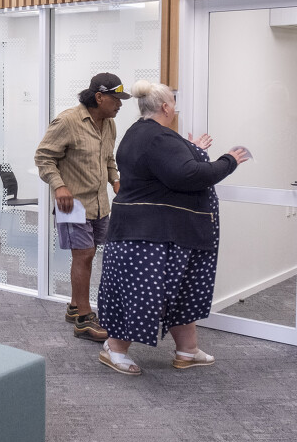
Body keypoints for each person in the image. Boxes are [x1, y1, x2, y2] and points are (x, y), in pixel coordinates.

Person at [94, 80, 252, 375]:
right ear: (166, 107)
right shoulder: (158, 137)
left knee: (181, 292)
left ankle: (187, 350)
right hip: (148, 234)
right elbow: (188, 175)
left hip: (161, 231)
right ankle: (114, 348)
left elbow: (166, 168)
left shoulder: (143, 132)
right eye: (173, 102)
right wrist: (228, 161)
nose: (175, 107)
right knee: (144, 295)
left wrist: (193, 149)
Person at [34, 71, 130, 343]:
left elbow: (108, 158)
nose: (120, 104)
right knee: (84, 254)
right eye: (116, 99)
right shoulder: (68, 121)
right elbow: (43, 157)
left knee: (88, 253)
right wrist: (59, 186)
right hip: (72, 204)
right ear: (99, 97)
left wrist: (115, 180)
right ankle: (84, 319)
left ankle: (75, 306)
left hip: (99, 204)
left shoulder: (109, 124)